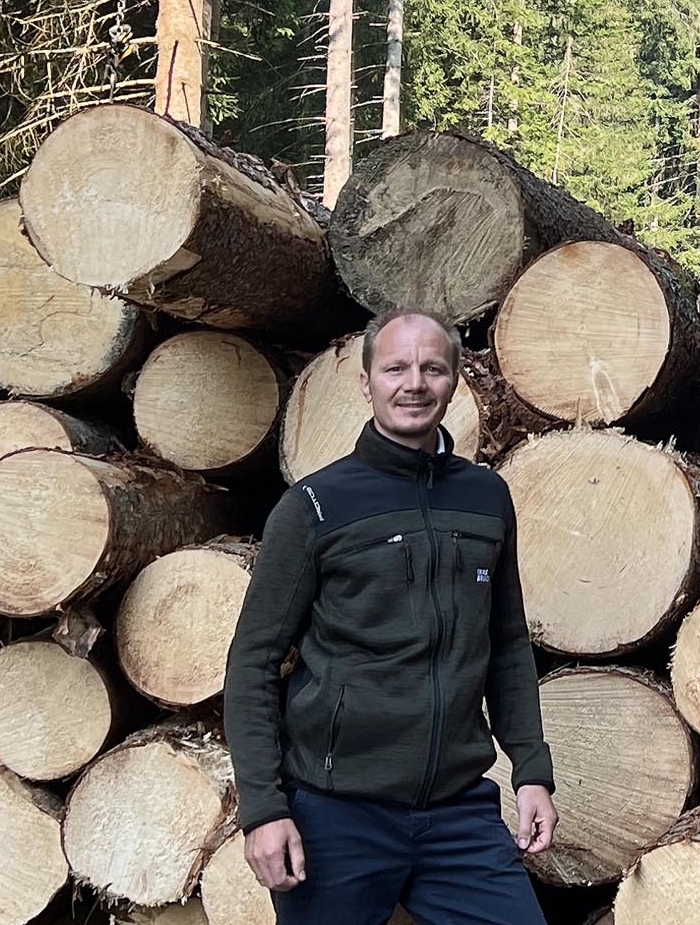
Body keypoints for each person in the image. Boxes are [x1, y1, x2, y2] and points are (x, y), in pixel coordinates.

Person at [223, 308, 557, 925]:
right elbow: (253, 662)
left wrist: (532, 771)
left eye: (433, 368)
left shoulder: (486, 497)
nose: (414, 383)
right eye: (395, 367)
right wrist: (264, 809)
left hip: (460, 813)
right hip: (336, 814)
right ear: (366, 382)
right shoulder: (315, 506)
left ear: (455, 379)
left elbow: (507, 644)